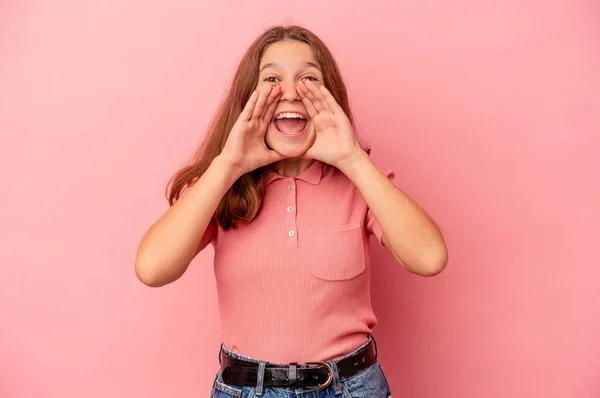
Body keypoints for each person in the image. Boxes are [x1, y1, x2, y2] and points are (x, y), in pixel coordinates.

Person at [135, 24, 448, 397]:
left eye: (309, 79)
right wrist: (228, 164)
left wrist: (351, 158)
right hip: (247, 389)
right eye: (271, 78)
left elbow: (429, 258)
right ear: (247, 98)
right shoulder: (221, 187)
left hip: (351, 388)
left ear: (329, 96)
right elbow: (152, 269)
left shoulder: (361, 184)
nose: (290, 91)